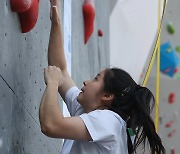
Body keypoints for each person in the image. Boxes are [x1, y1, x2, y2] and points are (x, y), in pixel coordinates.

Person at [39, 0, 165, 153]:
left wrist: (52, 83)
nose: (86, 82)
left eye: (96, 79)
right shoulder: (88, 109)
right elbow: (60, 70)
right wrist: (56, 21)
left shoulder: (110, 122)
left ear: (107, 95)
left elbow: (50, 125)